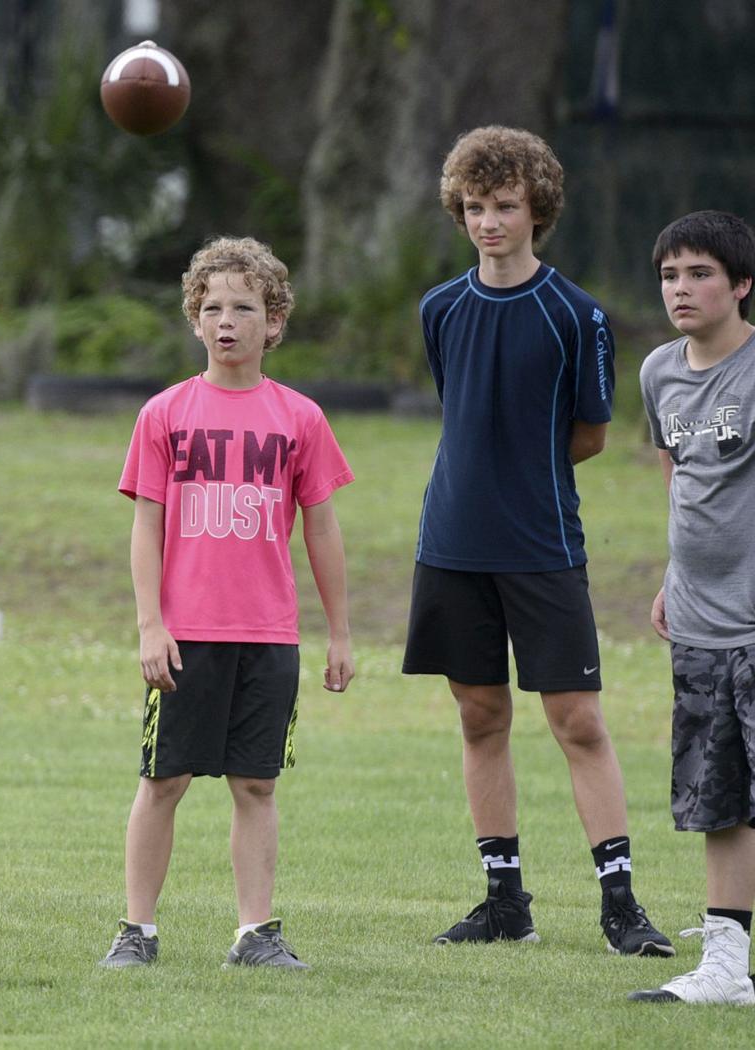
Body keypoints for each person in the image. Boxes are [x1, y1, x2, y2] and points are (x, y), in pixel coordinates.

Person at [402, 126, 672, 955]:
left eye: (505, 207)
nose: (489, 223)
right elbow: (463, 413)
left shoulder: (576, 315)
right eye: (476, 208)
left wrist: (522, 474)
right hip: (451, 543)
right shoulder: (440, 308)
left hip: (543, 544)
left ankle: (621, 906)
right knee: (480, 715)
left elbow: (589, 432)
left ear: (537, 210)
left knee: (577, 720)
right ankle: (504, 903)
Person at [99, 236, 355, 970]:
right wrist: (151, 623)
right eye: (211, 308)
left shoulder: (300, 418)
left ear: (274, 321)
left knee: (256, 782)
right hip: (185, 634)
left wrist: (339, 633)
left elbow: (324, 528)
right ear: (194, 319)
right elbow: (145, 528)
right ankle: (137, 931)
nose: (227, 321)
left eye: (244, 307)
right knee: (164, 779)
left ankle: (256, 933)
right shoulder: (165, 413)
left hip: (268, 635)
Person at [629, 211, 755, 1005]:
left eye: (700, 273)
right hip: (700, 621)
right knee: (720, 799)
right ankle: (726, 968)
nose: (682, 288)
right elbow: (681, 474)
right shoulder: (658, 373)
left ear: (741, 284)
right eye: (671, 275)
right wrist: (676, 574)